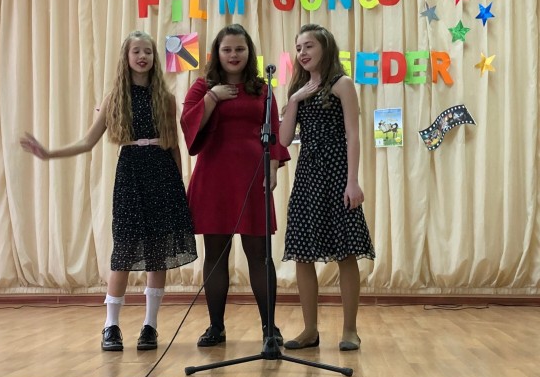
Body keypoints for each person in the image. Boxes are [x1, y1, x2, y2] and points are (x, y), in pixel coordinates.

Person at [20, 31, 197, 352]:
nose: (142, 56)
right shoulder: (115, 98)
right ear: (126, 57)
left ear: (155, 58)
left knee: (157, 254)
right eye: (136, 51)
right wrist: (48, 153)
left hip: (162, 177)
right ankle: (111, 326)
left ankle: (150, 327)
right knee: (124, 253)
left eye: (148, 51)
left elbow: (174, 145)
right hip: (130, 175)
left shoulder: (166, 99)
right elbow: (87, 142)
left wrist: (179, 187)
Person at [180, 24, 290, 347]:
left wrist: (273, 166)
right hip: (214, 178)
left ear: (248, 52)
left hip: (253, 177)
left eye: (239, 49)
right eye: (227, 49)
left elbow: (274, 130)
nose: (233, 55)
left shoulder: (262, 88)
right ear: (217, 53)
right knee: (215, 254)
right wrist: (213, 98)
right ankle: (216, 327)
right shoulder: (203, 87)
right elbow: (189, 125)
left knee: (259, 254)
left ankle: (269, 328)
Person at [279, 23, 375, 352]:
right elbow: (283, 139)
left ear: (325, 48)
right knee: (302, 254)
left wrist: (352, 181)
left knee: (346, 252)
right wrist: (294, 99)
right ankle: (310, 330)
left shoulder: (342, 84)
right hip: (308, 177)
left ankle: (350, 330)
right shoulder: (299, 89)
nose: (302, 52)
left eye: (309, 46)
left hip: (337, 175)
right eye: (298, 47)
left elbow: (353, 135)